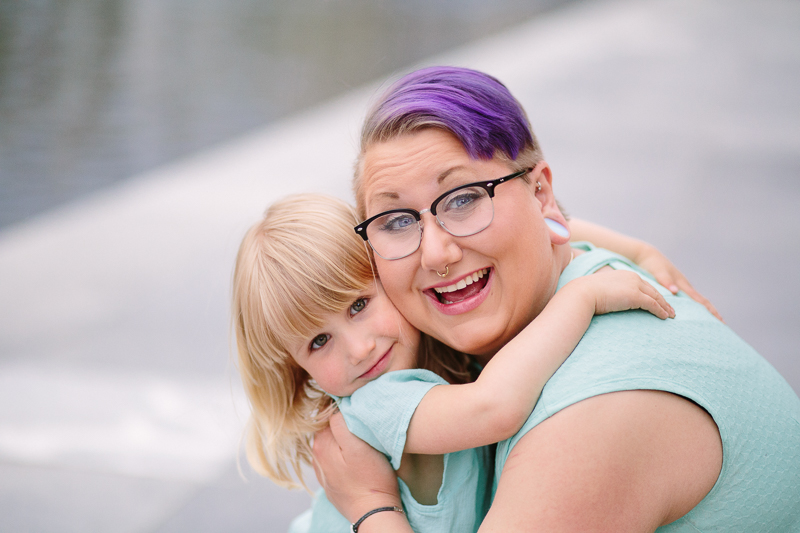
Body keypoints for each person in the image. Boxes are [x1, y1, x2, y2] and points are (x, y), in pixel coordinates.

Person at [311, 66, 800, 532]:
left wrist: (369, 508)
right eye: (397, 221)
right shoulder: (574, 273)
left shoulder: (588, 420)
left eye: (464, 198)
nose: (436, 253)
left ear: (541, 192)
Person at [232, 194, 676, 533]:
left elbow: (536, 225)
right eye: (319, 341)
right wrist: (583, 299)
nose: (359, 349)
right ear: (296, 366)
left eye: (358, 306)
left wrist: (639, 250)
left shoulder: (430, 349)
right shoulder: (376, 403)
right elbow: (494, 408)